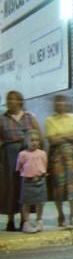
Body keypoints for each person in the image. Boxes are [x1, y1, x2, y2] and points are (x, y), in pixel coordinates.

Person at [1, 90, 43, 231]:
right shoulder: (2, 118)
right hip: (9, 157)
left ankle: (25, 221)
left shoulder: (29, 117)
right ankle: (11, 220)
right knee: (11, 187)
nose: (11, 101)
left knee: (26, 187)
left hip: (28, 156)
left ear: (20, 101)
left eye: (14, 99)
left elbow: (39, 136)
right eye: (8, 99)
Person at [45, 95, 73, 228]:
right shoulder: (50, 120)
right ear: (54, 104)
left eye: (63, 101)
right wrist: (70, 136)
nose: (61, 103)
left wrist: (61, 136)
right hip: (57, 156)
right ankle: (60, 214)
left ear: (67, 103)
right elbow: (52, 140)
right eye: (58, 101)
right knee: (59, 187)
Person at [16, 130, 48, 233]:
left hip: (40, 181)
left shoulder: (42, 153)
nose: (34, 142)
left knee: (40, 203)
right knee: (26, 203)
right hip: (28, 182)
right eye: (32, 140)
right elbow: (19, 167)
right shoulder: (23, 154)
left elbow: (44, 165)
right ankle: (26, 223)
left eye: (37, 140)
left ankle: (39, 221)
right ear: (26, 142)